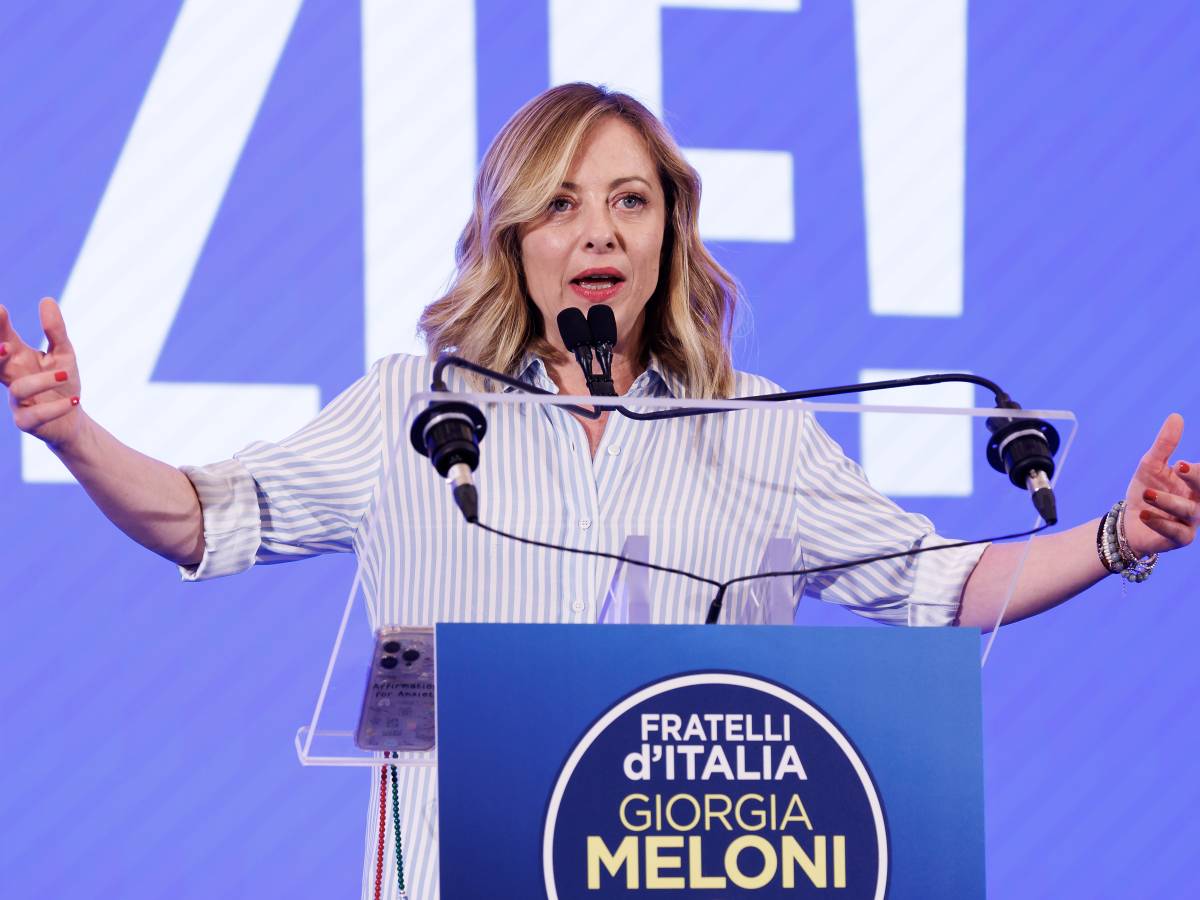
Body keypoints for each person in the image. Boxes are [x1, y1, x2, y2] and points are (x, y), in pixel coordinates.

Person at [1, 83, 1196, 899]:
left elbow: (943, 585)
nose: (599, 232)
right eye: (562, 203)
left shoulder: (756, 427)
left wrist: (1117, 535)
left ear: (670, 230)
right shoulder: (416, 410)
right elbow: (202, 518)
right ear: (511, 236)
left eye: (631, 199)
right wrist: (74, 434)